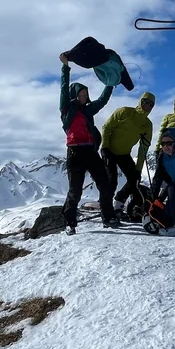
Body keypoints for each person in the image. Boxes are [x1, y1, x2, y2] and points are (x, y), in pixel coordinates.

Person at [59, 53, 117, 234]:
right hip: (75, 152)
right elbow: (63, 88)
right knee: (75, 190)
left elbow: (102, 100)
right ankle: (70, 223)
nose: (84, 96)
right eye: (81, 93)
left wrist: (110, 84)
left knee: (105, 184)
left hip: (90, 152)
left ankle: (108, 217)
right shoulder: (66, 109)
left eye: (85, 94)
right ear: (75, 95)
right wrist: (65, 67)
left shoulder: (88, 109)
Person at [99, 92, 156, 221]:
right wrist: (104, 148)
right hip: (109, 151)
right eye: (146, 102)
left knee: (134, 180)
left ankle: (118, 204)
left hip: (124, 154)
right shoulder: (124, 112)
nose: (147, 106)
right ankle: (106, 212)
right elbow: (107, 127)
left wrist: (138, 169)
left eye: (151, 105)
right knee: (111, 181)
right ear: (140, 101)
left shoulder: (147, 125)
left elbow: (144, 147)